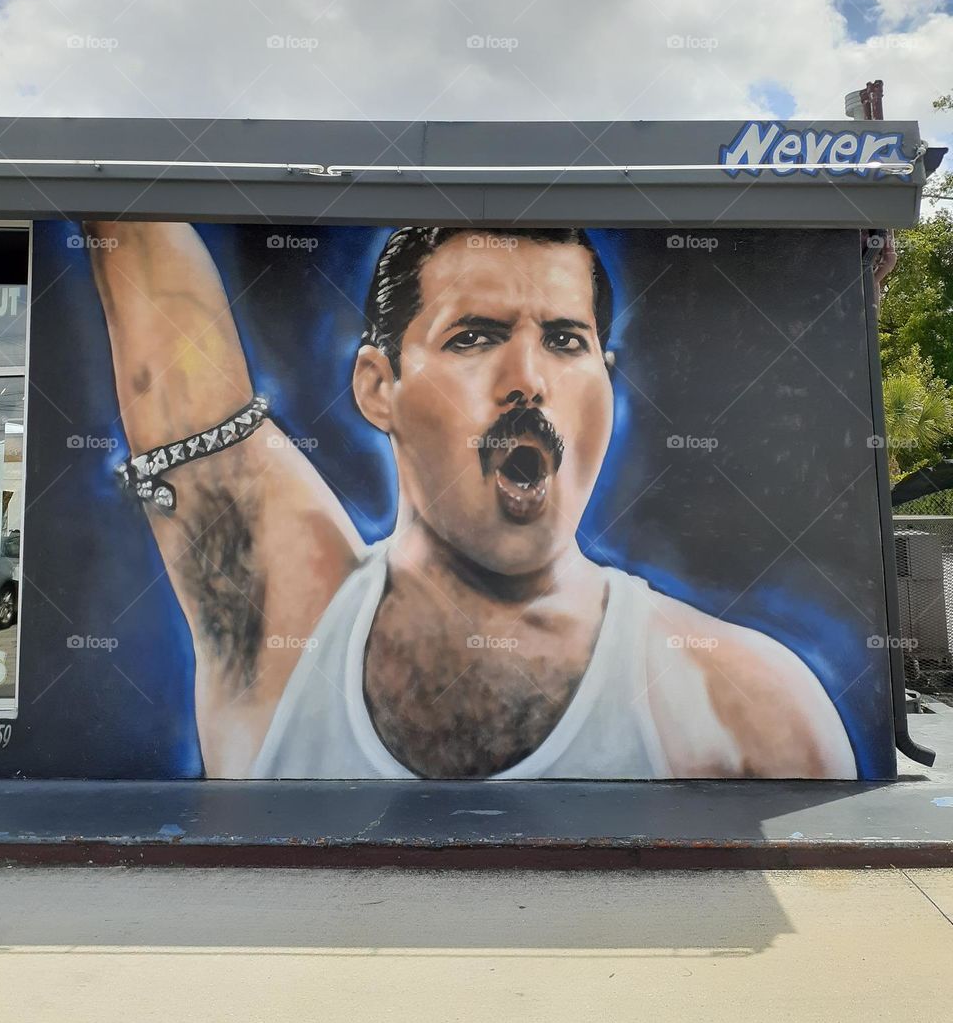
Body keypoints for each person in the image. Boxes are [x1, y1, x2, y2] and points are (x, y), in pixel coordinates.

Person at [86, 222, 857, 780]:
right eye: (474, 337)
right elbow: (142, 253)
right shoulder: (286, 620)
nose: (528, 379)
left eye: (566, 340)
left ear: (608, 381)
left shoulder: (750, 703)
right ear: (378, 387)